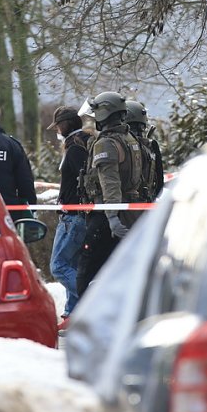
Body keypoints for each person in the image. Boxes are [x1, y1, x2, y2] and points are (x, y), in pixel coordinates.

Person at [76, 91, 142, 296]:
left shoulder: (106, 143)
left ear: (105, 113)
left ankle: (83, 320)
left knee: (86, 271)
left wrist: (112, 216)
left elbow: (110, 182)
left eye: (96, 112)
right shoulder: (129, 138)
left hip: (107, 215)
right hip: (130, 212)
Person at [46, 106, 90, 331]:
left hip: (73, 217)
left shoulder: (75, 149)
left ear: (66, 125)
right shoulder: (84, 143)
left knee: (59, 266)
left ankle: (93, 302)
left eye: (58, 126)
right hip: (78, 215)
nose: (57, 131)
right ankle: (72, 314)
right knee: (72, 264)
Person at [124, 100, 164, 201]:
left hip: (125, 206)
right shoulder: (151, 145)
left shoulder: (120, 144)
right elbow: (160, 182)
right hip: (148, 203)